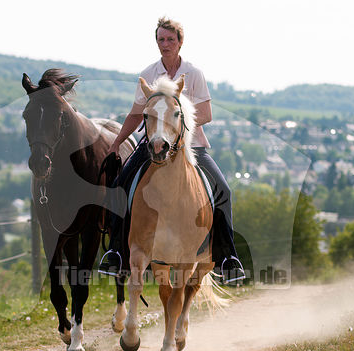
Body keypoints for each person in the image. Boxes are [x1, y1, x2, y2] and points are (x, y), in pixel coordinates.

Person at [99, 17, 245, 284]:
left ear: (180, 42)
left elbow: (207, 113)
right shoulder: (149, 73)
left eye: (170, 39)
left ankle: (227, 258)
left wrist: (175, 123)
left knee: (223, 189)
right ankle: (116, 252)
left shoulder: (194, 73)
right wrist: (117, 141)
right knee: (120, 185)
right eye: (160, 40)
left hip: (190, 144)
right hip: (152, 144)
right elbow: (135, 114)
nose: (165, 44)